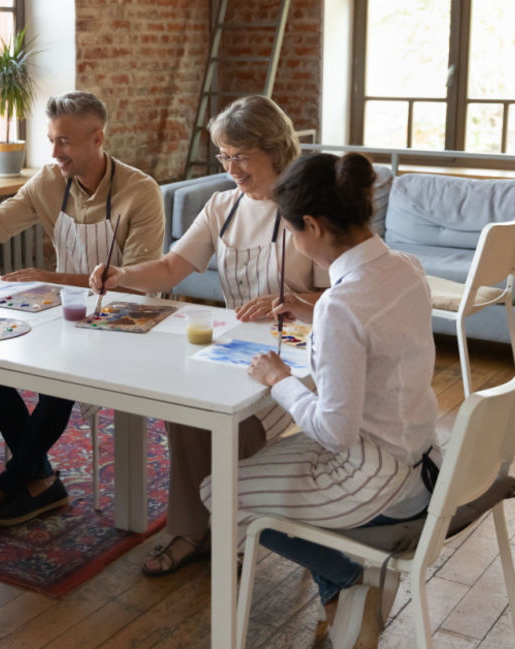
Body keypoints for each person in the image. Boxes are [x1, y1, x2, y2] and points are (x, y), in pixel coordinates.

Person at [208, 152, 437, 649]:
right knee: (254, 472)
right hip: (423, 460)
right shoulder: (405, 268)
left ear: (311, 224)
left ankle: (349, 580)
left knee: (219, 493)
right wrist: (314, 313)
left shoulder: (341, 304)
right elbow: (371, 332)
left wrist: (277, 379)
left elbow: (336, 431)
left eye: (291, 231)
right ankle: (347, 601)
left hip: (377, 479)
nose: (292, 239)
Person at [89, 95, 325, 575]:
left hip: (302, 354)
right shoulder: (223, 205)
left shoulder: (311, 208)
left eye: (241, 156)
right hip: (238, 347)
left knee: (236, 423)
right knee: (185, 409)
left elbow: (341, 298)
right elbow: (173, 266)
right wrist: (122, 276)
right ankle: (192, 530)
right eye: (224, 155)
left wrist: (294, 303)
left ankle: (239, 531)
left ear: (275, 149)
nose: (231, 167)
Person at [0, 91, 165, 526]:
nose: (53, 152)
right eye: (51, 140)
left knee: (56, 383)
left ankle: (9, 485)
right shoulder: (47, 182)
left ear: (97, 138)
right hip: (65, 312)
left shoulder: (140, 192)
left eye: (63, 141)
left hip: (127, 321)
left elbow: (136, 284)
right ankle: (41, 479)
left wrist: (48, 279)